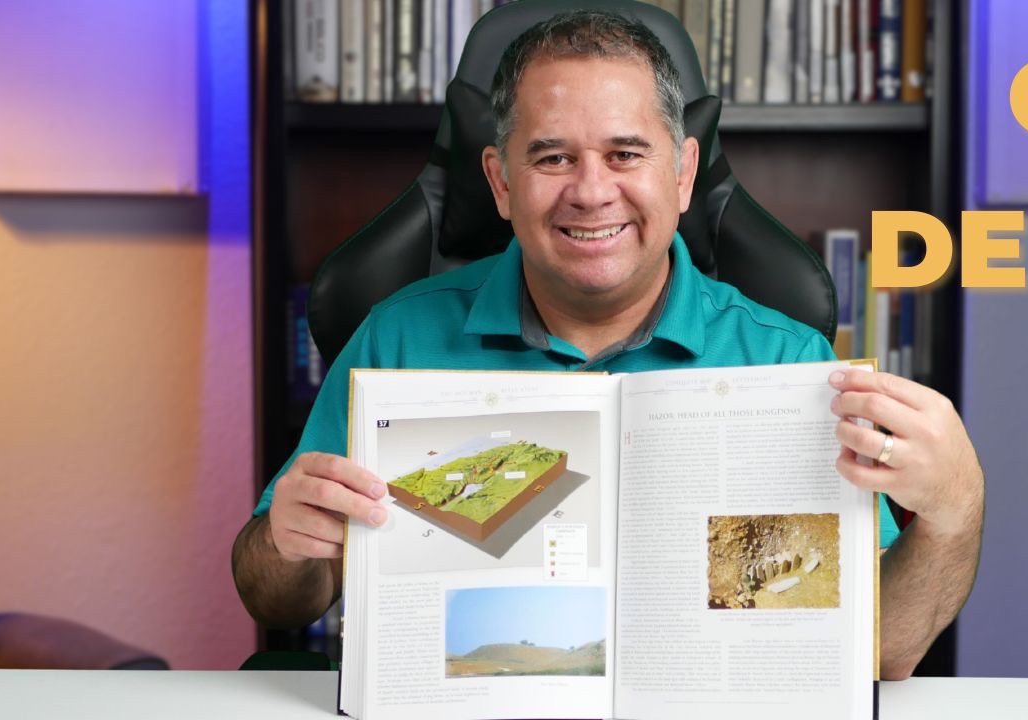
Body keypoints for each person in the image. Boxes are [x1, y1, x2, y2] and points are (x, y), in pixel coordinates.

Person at [232, 9, 983, 680]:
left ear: (684, 173)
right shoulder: (395, 338)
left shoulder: (784, 363)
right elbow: (275, 594)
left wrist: (956, 508)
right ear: (498, 182)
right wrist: (290, 544)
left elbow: (882, 650)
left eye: (626, 154)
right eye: (553, 157)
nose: (591, 192)